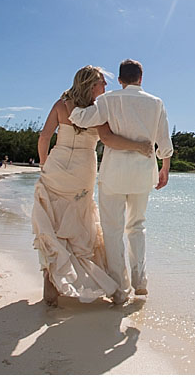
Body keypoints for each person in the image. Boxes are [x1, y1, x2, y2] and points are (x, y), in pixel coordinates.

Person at [31, 65, 153, 308]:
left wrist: (44, 163)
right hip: (83, 168)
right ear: (90, 85)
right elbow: (108, 139)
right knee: (78, 223)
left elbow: (44, 137)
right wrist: (140, 146)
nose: (106, 87)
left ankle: (51, 275)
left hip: (57, 164)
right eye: (102, 83)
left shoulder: (61, 105)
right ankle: (77, 277)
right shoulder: (97, 110)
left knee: (52, 222)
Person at [69, 58, 173, 305]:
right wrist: (165, 168)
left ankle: (119, 289)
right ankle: (140, 281)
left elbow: (81, 119)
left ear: (120, 79)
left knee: (113, 230)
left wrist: (71, 103)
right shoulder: (156, 103)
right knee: (137, 226)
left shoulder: (108, 100)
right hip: (142, 174)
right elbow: (164, 140)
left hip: (114, 173)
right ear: (141, 78)